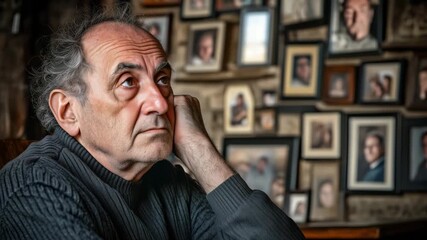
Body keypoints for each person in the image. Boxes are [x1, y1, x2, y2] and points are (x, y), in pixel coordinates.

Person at [0, 5, 306, 239]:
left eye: (162, 79)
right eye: (128, 82)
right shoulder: (34, 186)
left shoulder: (165, 182)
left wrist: (198, 148)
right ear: (67, 111)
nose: (161, 102)